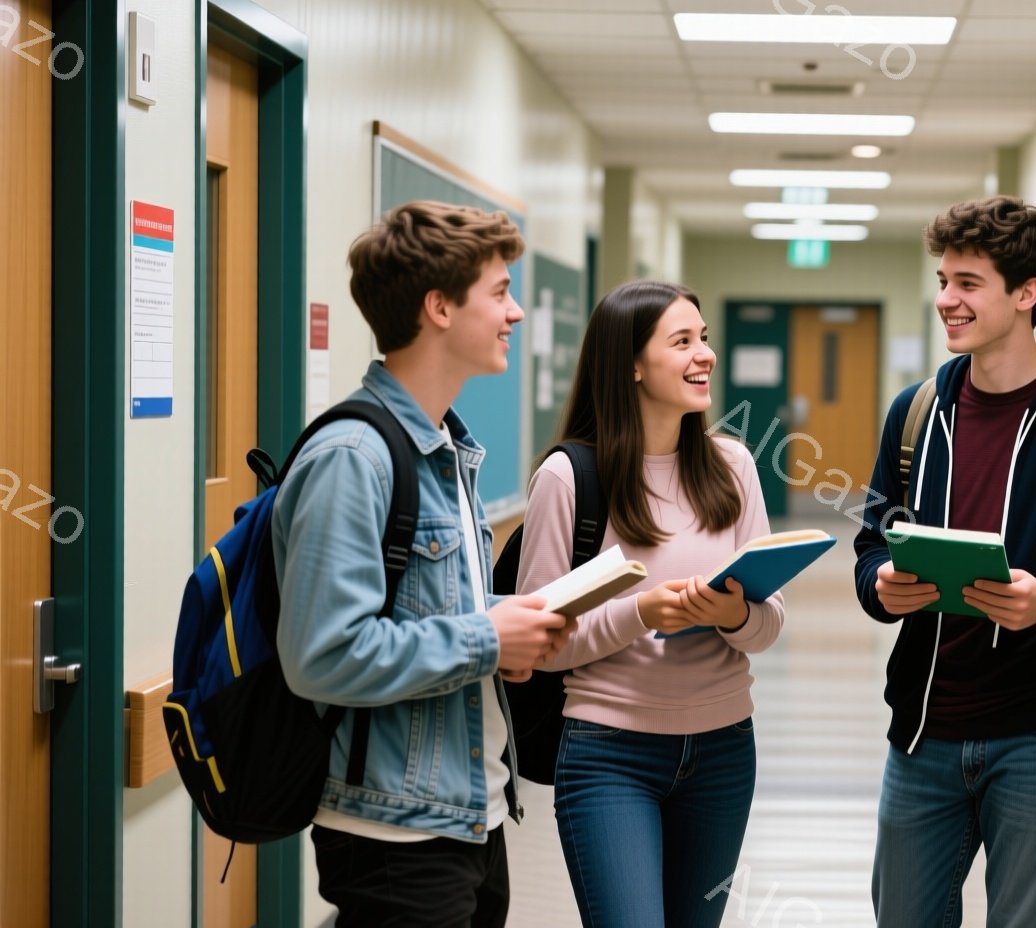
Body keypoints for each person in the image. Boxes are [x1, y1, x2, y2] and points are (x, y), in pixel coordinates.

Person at [851, 195, 1036, 926]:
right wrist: (879, 586)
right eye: (943, 280)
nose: (946, 301)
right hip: (924, 728)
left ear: (1026, 295)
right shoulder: (917, 412)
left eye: (968, 284)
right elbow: (872, 539)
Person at [272, 200, 572, 927]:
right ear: (438, 307)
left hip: (471, 815)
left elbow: (431, 626)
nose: (517, 313)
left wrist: (501, 635)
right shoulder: (355, 458)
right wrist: (489, 639)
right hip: (394, 837)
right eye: (499, 293)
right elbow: (323, 655)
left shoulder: (445, 452)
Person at [516, 280, 784, 928]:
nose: (706, 356)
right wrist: (640, 614)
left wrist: (734, 616)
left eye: (705, 339)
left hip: (723, 752)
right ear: (631, 364)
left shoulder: (734, 467)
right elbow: (536, 645)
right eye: (683, 341)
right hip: (609, 752)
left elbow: (770, 623)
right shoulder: (569, 478)